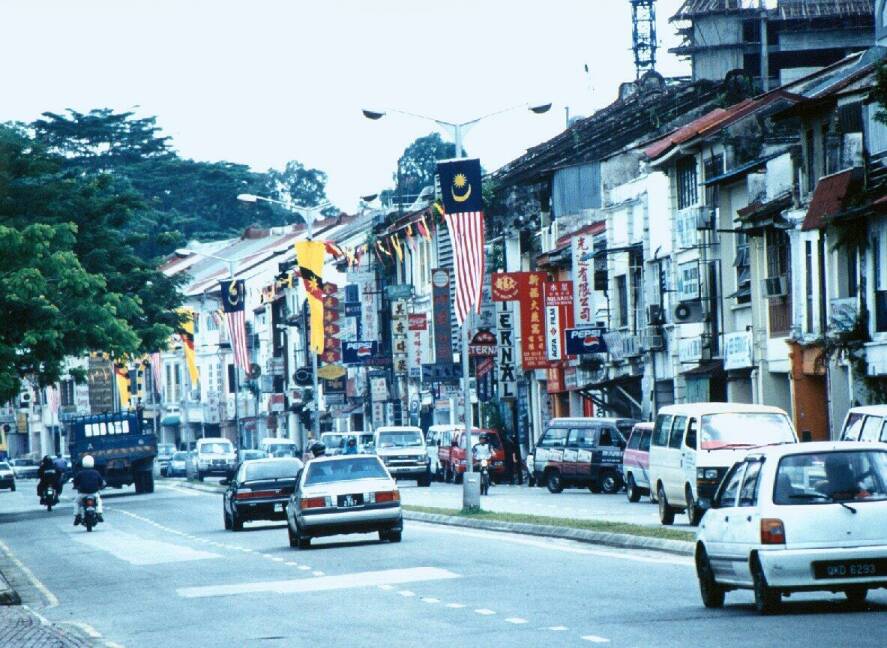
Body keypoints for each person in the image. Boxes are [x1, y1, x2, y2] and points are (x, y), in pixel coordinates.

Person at [72, 455, 105, 526]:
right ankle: (99, 513)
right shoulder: (96, 472)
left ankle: (77, 516)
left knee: (76, 502)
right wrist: (101, 486)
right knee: (99, 501)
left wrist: (75, 486)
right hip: (94, 493)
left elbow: (75, 482)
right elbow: (101, 482)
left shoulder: (80, 473)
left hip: (82, 494)